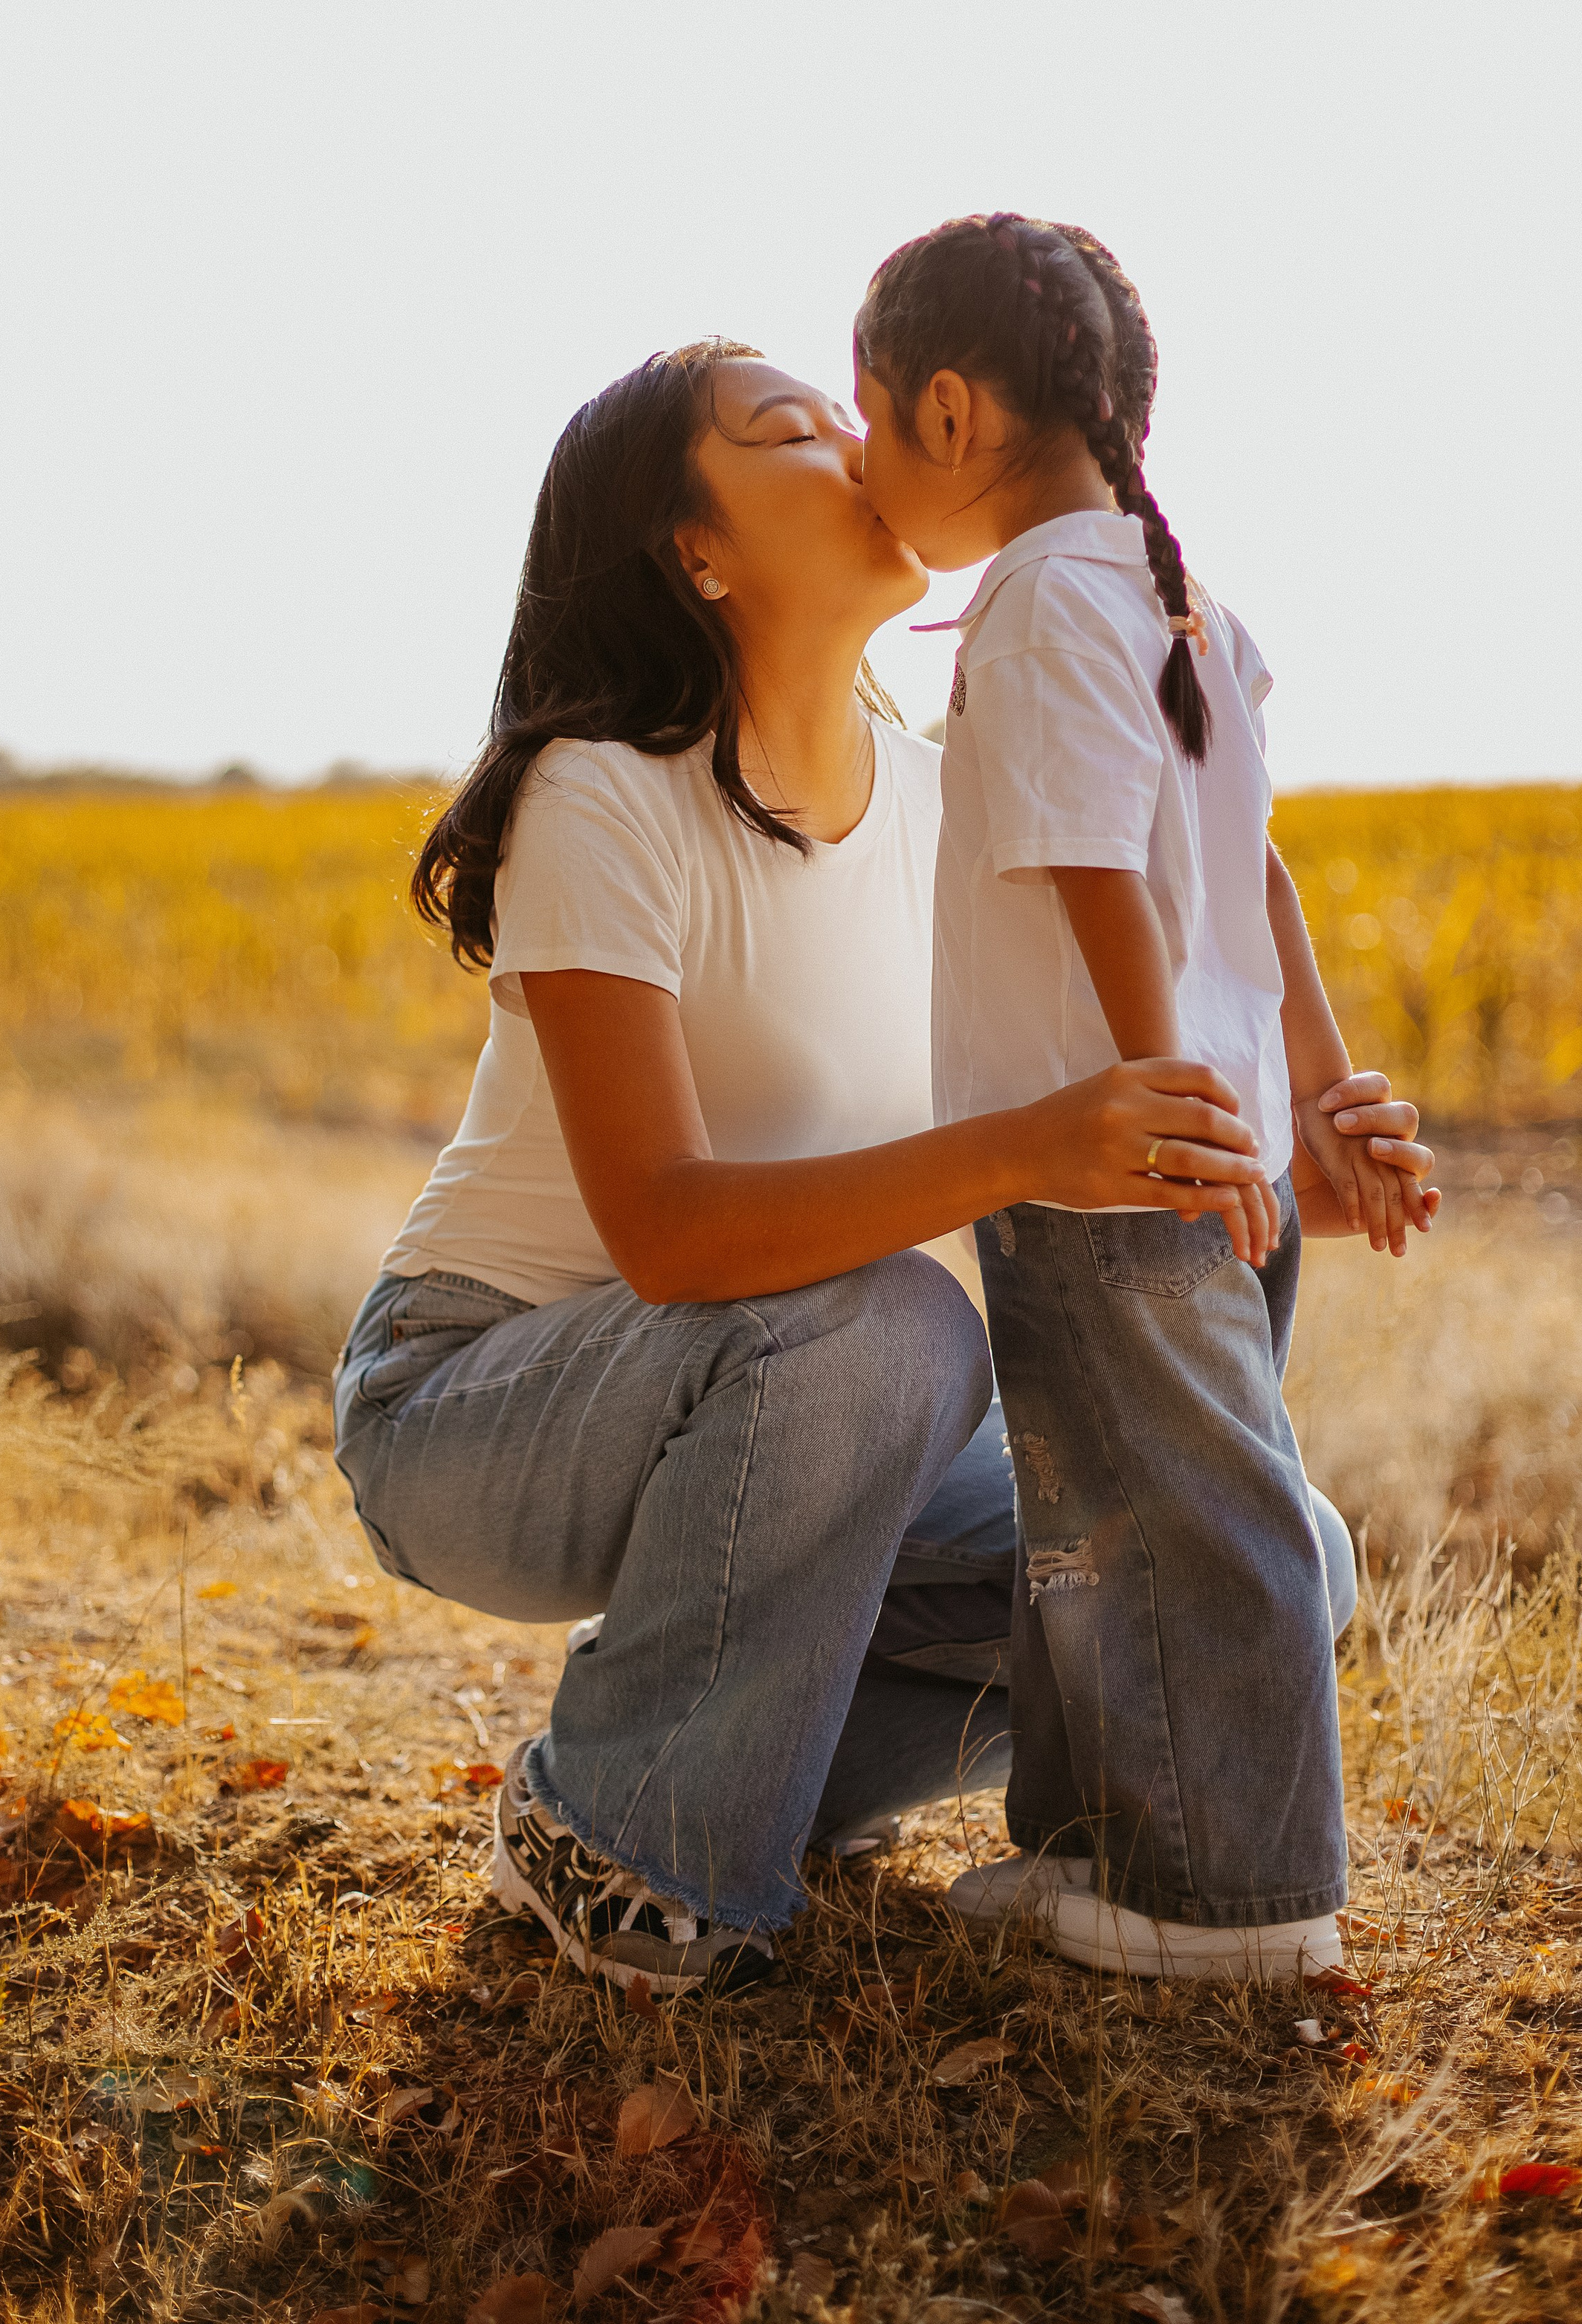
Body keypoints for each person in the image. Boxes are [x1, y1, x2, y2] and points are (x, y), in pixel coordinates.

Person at [332, 338, 1433, 1996]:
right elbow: (670, 1237)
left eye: (846, 413)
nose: (855, 443)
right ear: (694, 549)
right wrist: (1031, 1141)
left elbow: (1128, 1077)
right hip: (476, 1401)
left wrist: (1290, 1156)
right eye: (788, 428)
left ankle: (774, 1777)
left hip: (812, 1398)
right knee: (897, 1331)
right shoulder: (601, 796)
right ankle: (619, 1841)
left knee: (1258, 1559)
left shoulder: (951, 799)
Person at [853, 212, 1437, 1984]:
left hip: (1119, 1165)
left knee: (1177, 1525)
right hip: (1205, 1148)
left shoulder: (1037, 605)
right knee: (1100, 1525)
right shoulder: (1176, 605)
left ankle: (1232, 1901)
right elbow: (1253, 869)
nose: (863, 463)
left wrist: (1148, 1077)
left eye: (867, 418)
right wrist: (1313, 1088)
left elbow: (1102, 869)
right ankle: (1103, 1851)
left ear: (947, 413)